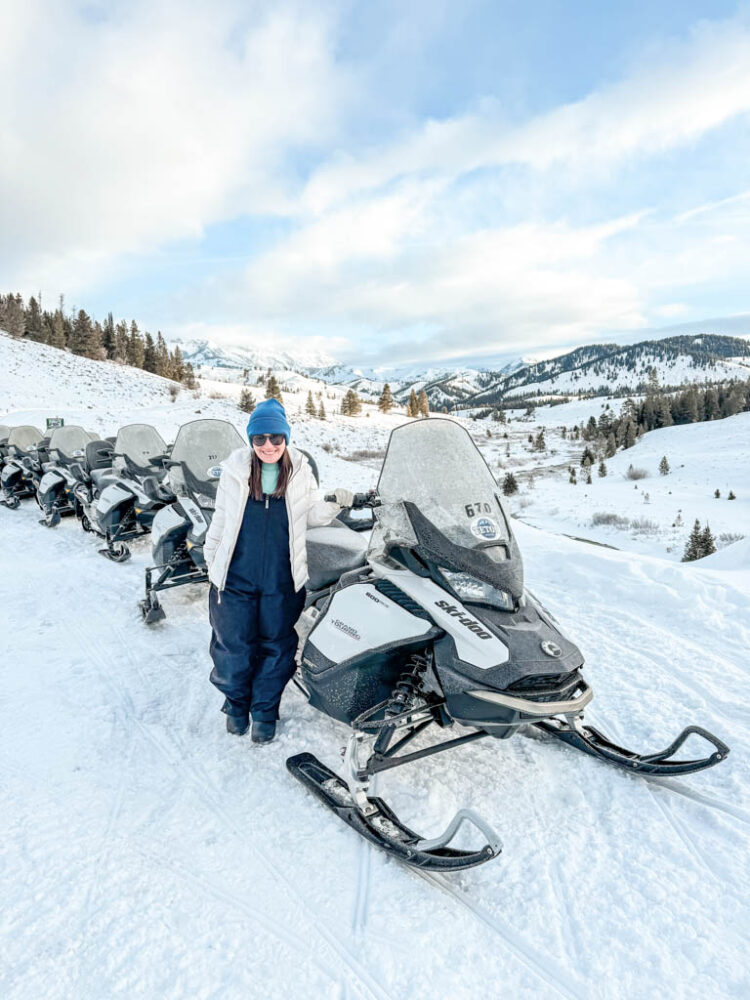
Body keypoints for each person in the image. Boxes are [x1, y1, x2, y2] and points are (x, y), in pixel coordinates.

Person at [204, 398, 353, 743]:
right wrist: (213, 562)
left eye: (275, 438)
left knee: (277, 647)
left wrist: (335, 503)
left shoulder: (300, 469)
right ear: (251, 440)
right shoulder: (235, 470)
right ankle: (237, 706)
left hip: (281, 579)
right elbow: (222, 519)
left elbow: (312, 515)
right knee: (232, 647)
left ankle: (264, 712)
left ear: (285, 438)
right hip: (235, 577)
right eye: (260, 439)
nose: (268, 446)